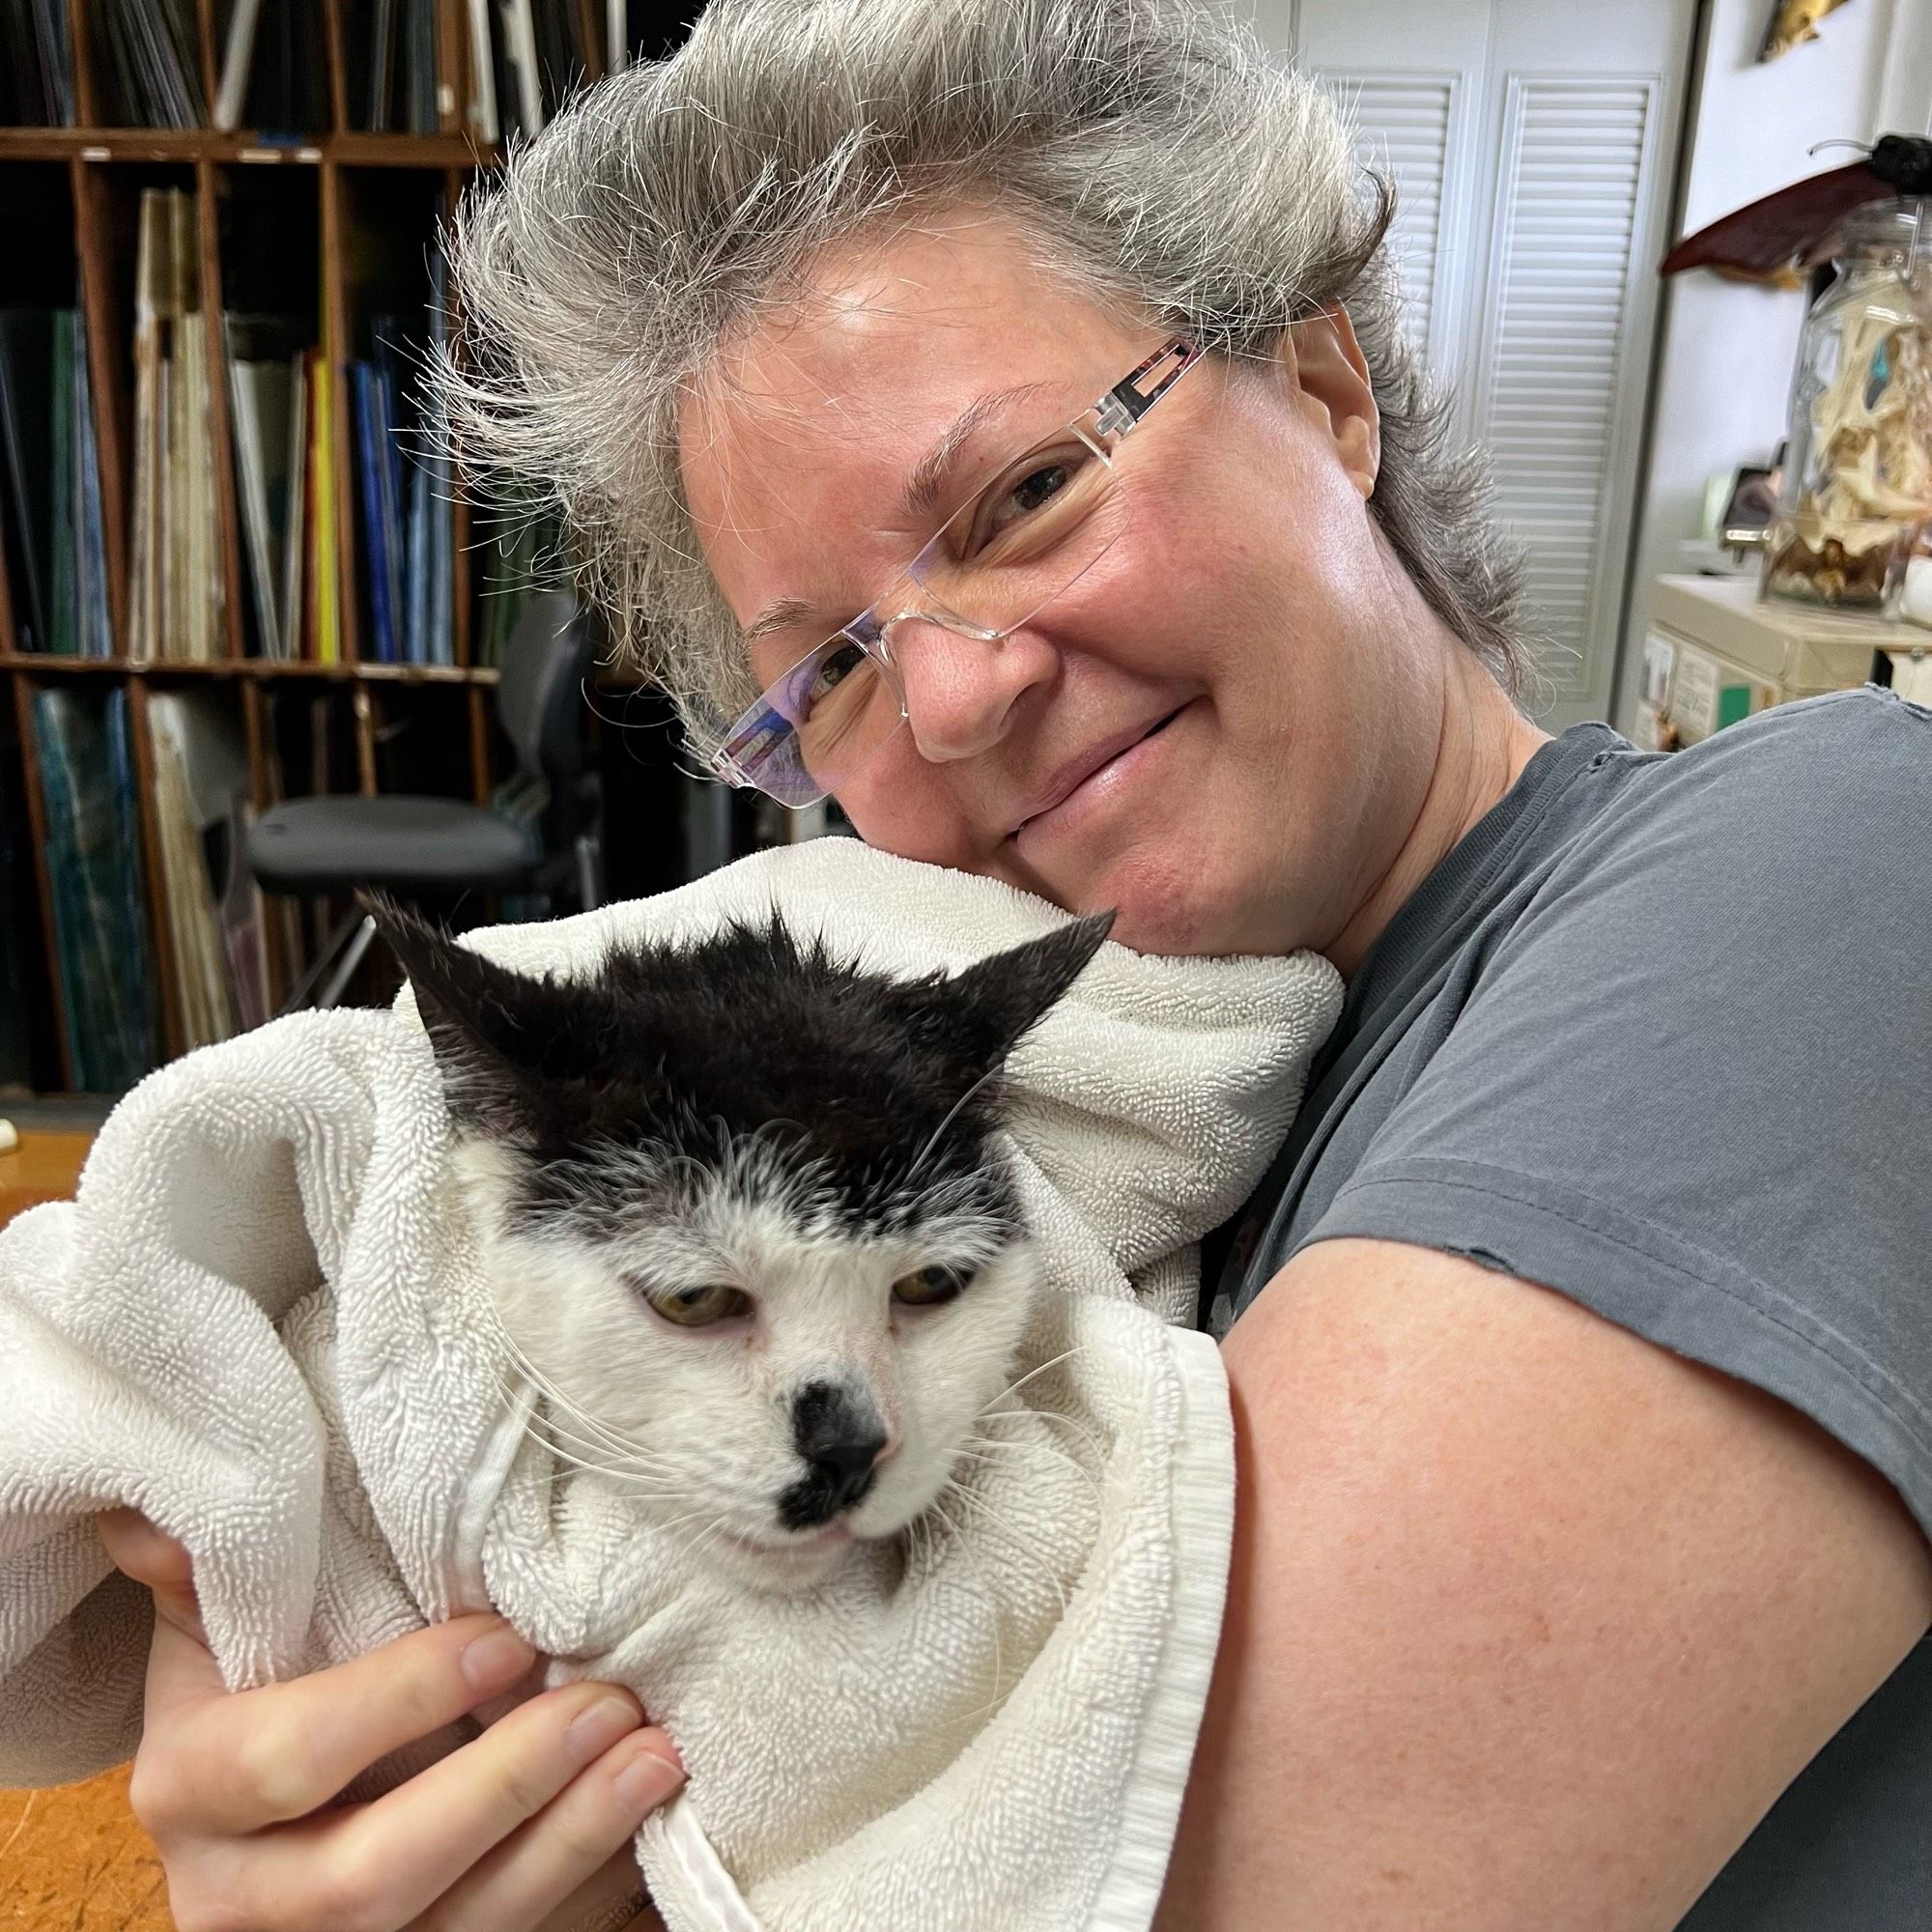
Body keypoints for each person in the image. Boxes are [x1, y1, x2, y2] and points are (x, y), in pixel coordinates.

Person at [102, 3, 1932, 1927]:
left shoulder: (1822, 872)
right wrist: (288, 1600)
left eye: (1027, 493)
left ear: (1320, 384)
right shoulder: (1083, 1093)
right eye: (831, 671)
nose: (957, 698)